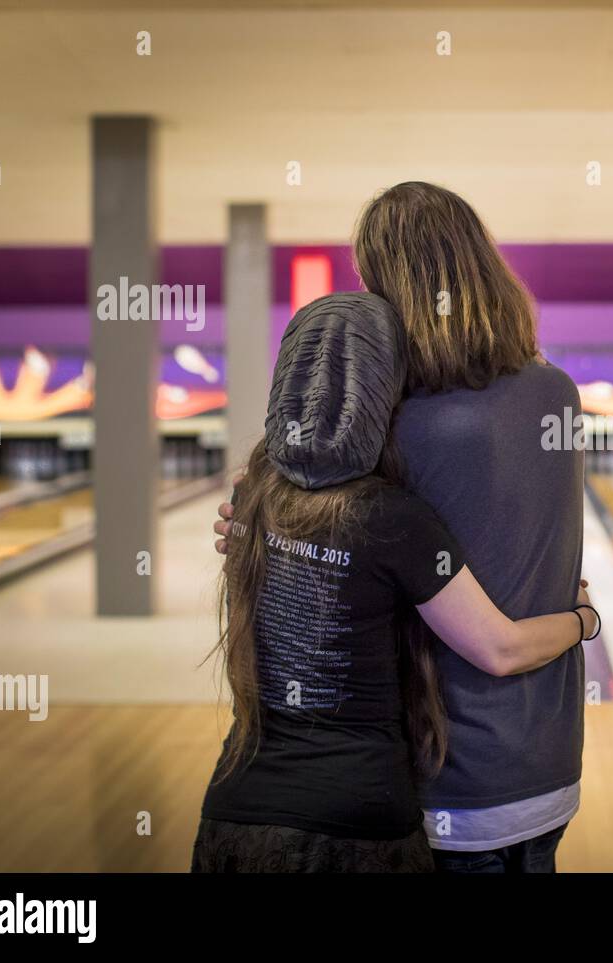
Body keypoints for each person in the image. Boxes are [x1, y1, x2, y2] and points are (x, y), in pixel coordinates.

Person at [216, 182, 587, 873]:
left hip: (433, 778)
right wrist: (584, 616)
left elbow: (319, 559)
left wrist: (260, 519)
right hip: (549, 760)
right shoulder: (556, 393)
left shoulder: (389, 429)